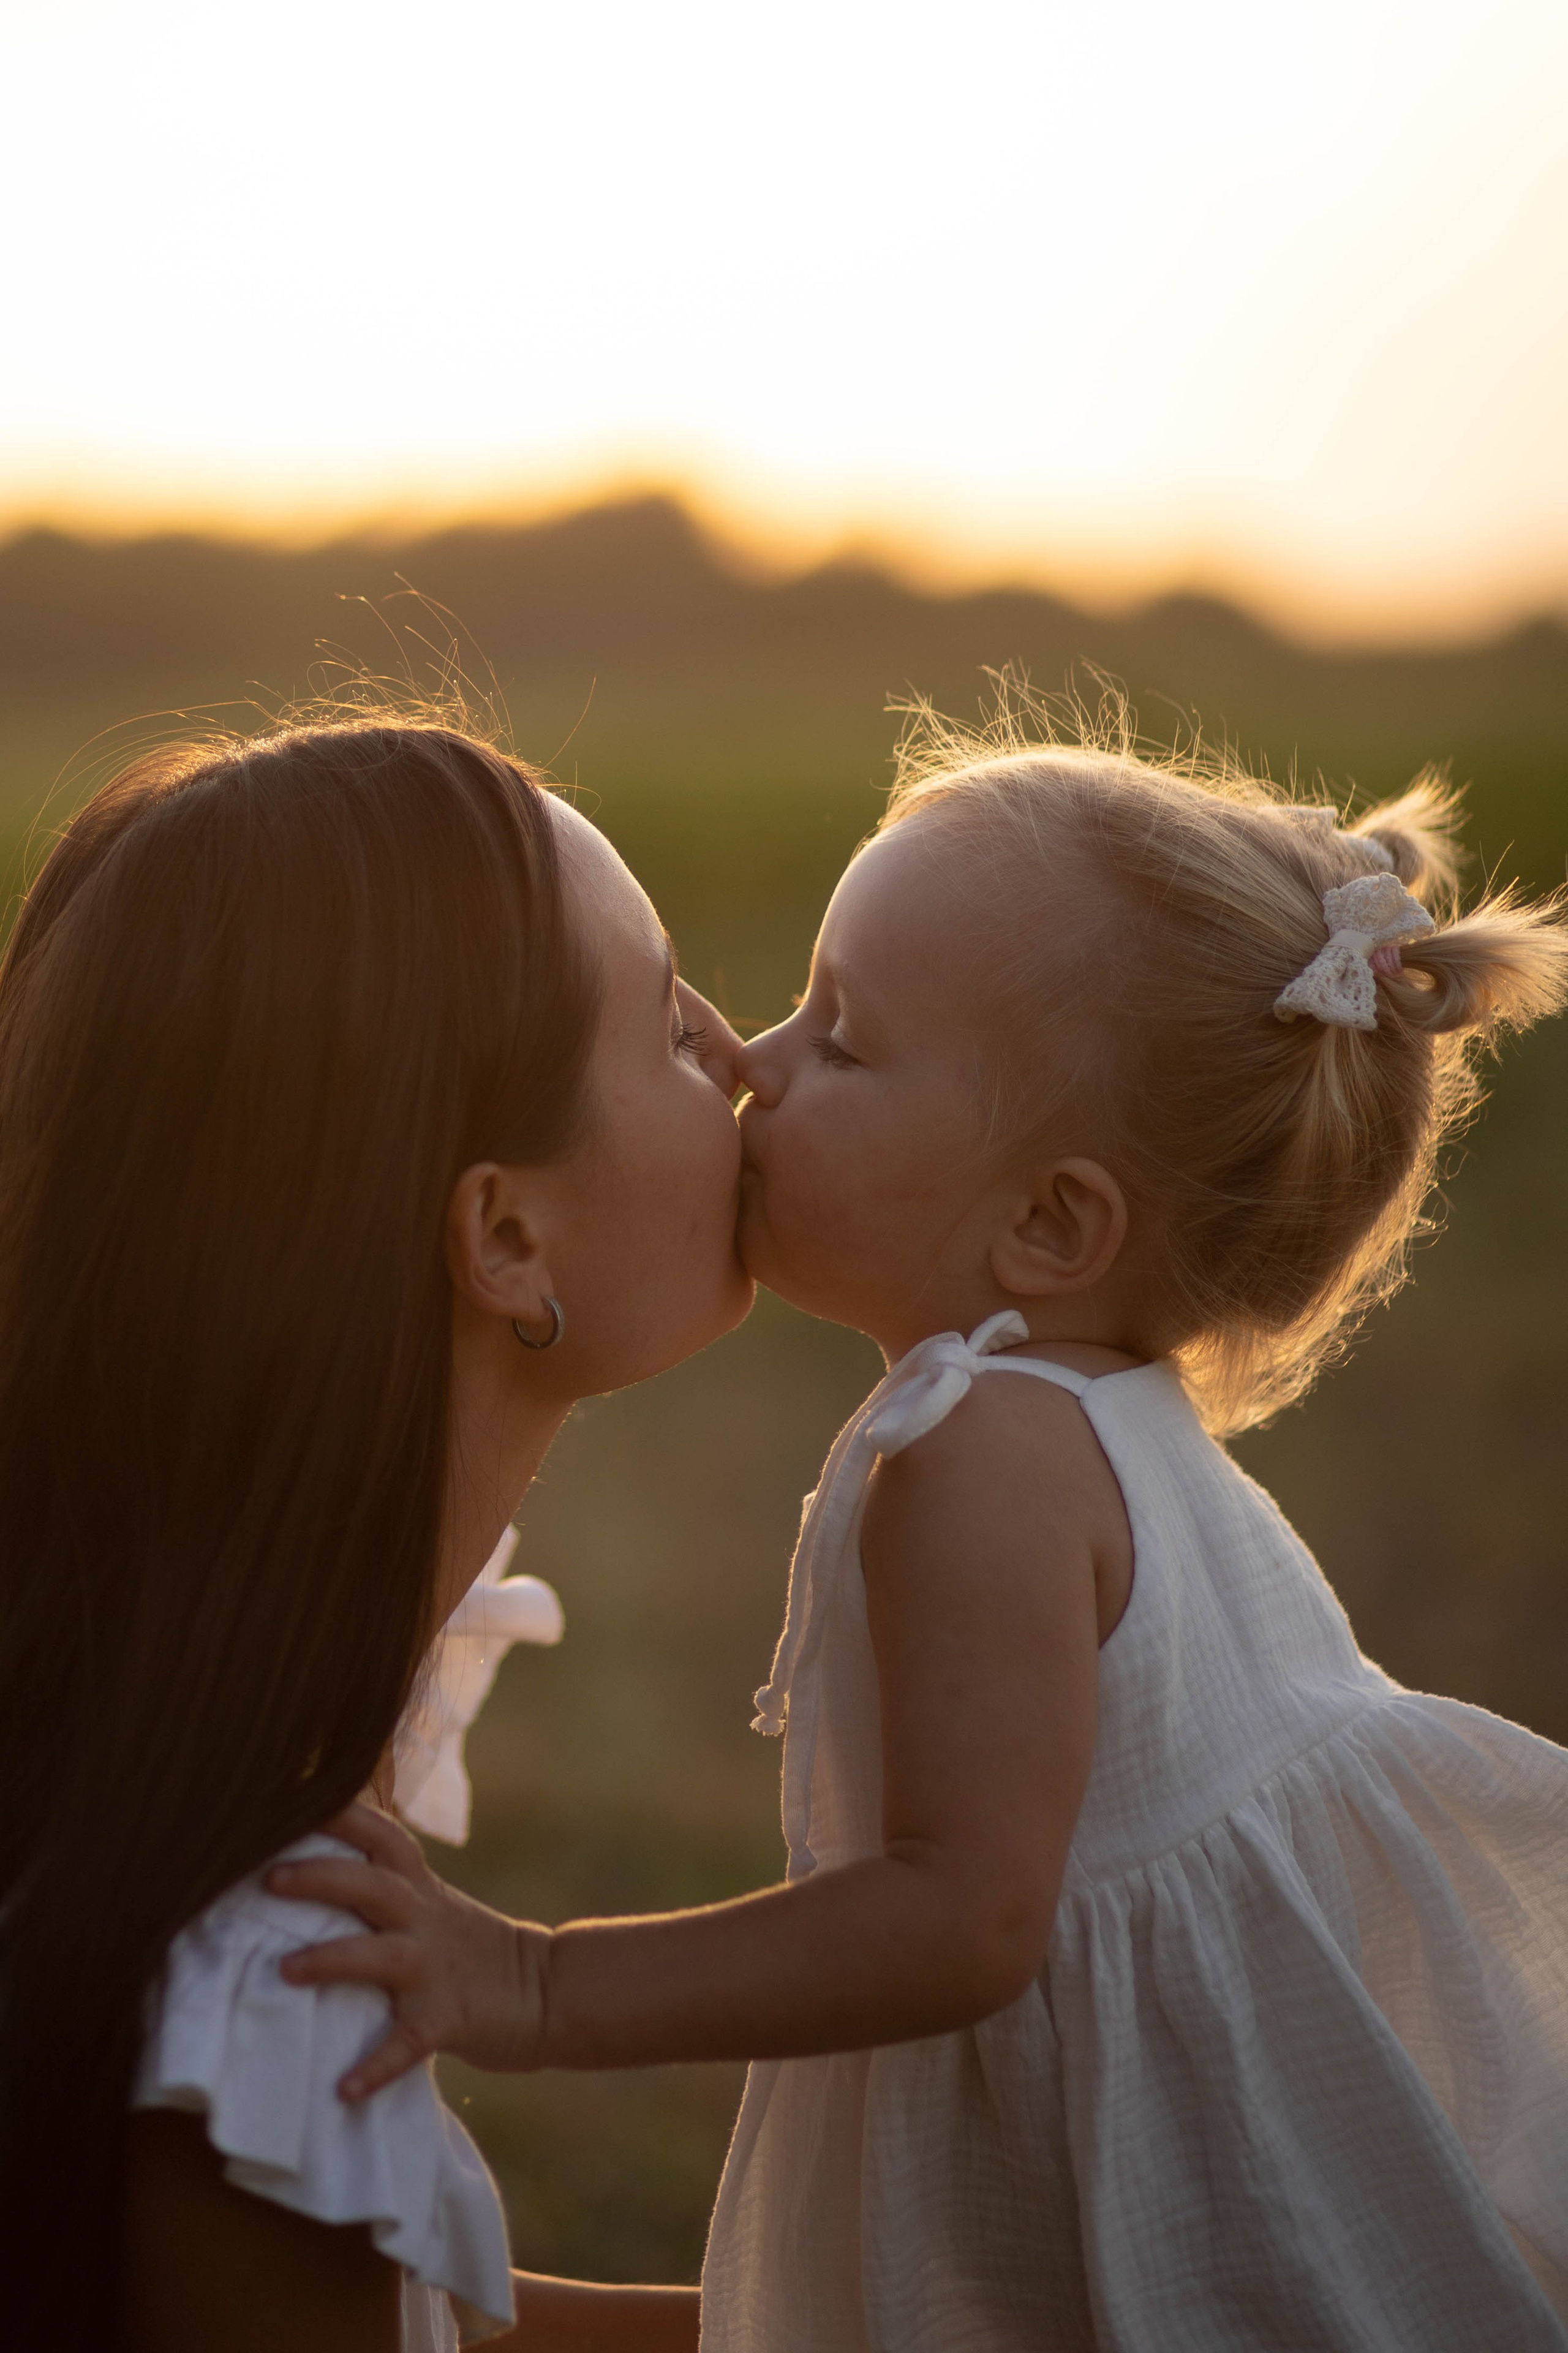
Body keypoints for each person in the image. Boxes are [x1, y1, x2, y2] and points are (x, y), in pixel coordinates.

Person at [276, 714, 1568, 2351]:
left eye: (843, 1033)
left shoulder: (983, 1456)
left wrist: (531, 1982)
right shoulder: (1094, 1423)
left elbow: (964, 1917)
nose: (755, 1056)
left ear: (1050, 1219)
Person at [0, 717, 748, 2350]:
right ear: (502, 1232)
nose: (745, 1054)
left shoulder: (170, 1735)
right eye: (674, 1017)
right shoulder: (269, 1977)